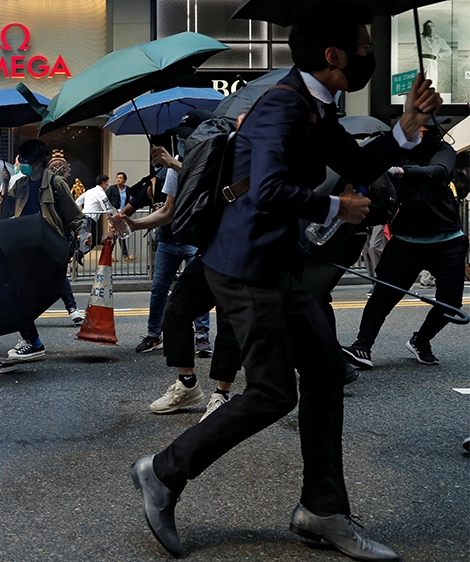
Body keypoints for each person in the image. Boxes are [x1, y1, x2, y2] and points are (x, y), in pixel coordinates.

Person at [129, 5, 442, 560]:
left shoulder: (315, 106)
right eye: (365, 45)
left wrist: (407, 128)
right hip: (245, 267)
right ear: (334, 55)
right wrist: (338, 207)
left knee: (325, 373)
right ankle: (163, 471)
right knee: (273, 392)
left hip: (273, 263)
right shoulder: (283, 105)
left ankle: (322, 510)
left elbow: (358, 165)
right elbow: (267, 190)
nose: (369, 53)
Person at [341, 123, 464, 369]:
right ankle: (362, 346)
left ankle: (421, 340)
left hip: (447, 239)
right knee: (383, 295)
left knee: (451, 303)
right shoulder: (395, 150)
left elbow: (438, 172)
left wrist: (399, 171)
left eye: (421, 128)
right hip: (406, 240)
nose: (415, 132)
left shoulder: (443, 150)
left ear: (430, 130)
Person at [126, 110, 215, 358]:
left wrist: (173, 164)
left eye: (188, 135)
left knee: (197, 289)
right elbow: (168, 210)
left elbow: (205, 179)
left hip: (197, 240)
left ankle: (202, 338)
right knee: (159, 289)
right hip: (170, 238)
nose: (183, 140)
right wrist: (134, 224)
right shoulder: (175, 165)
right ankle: (154, 335)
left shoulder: (213, 157)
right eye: (181, 136)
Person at [0, 139, 85, 364]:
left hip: (48, 247)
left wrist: (83, 234)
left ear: (40, 161)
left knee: (21, 295)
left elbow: (74, 216)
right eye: (21, 159)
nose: (22, 164)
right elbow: (3, 213)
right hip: (25, 247)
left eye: (26, 160)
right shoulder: (20, 184)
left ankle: (33, 340)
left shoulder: (56, 183)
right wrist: (4, 185)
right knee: (16, 294)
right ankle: (32, 340)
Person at [420, 20, 451, 89]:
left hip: (433, 63)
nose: (430, 28)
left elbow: (449, 51)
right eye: (428, 27)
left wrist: (439, 55)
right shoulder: (420, 39)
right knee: (420, 84)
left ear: (434, 28)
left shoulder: (440, 40)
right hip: (421, 63)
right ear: (425, 29)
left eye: (432, 26)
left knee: (432, 84)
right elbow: (414, 50)